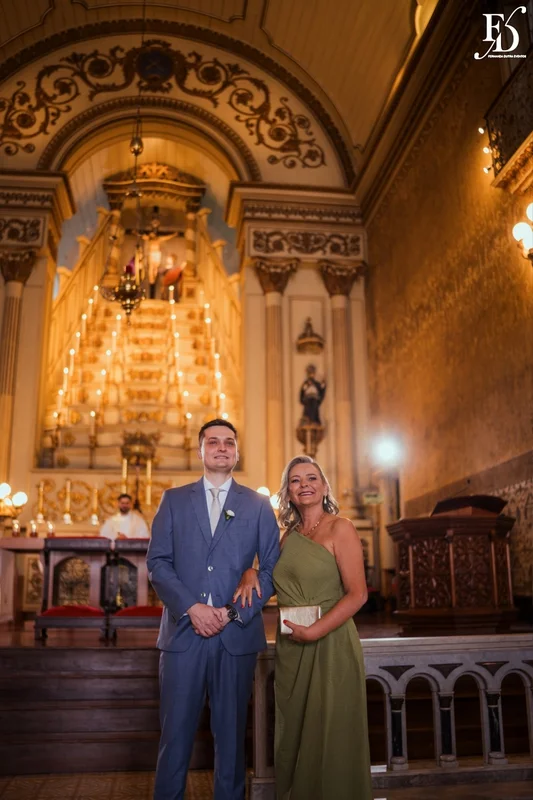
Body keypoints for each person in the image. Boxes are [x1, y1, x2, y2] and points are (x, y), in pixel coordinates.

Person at [146, 419, 280, 800]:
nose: (222, 447)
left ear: (237, 452)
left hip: (235, 637)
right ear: (200, 450)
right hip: (183, 636)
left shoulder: (257, 505)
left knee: (232, 739)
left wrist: (233, 613)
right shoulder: (173, 500)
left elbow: (272, 569)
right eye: (213, 442)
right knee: (174, 739)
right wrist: (191, 607)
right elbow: (157, 562)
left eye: (229, 442)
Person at [236, 455, 372, 800]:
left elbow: (358, 594)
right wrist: (250, 572)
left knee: (329, 732)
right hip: (293, 648)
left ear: (324, 487)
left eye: (312, 478)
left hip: (330, 643)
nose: (304, 484)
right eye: (296, 480)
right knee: (295, 734)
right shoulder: (287, 538)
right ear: (288, 492)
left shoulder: (340, 528)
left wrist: (315, 631)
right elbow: (271, 582)